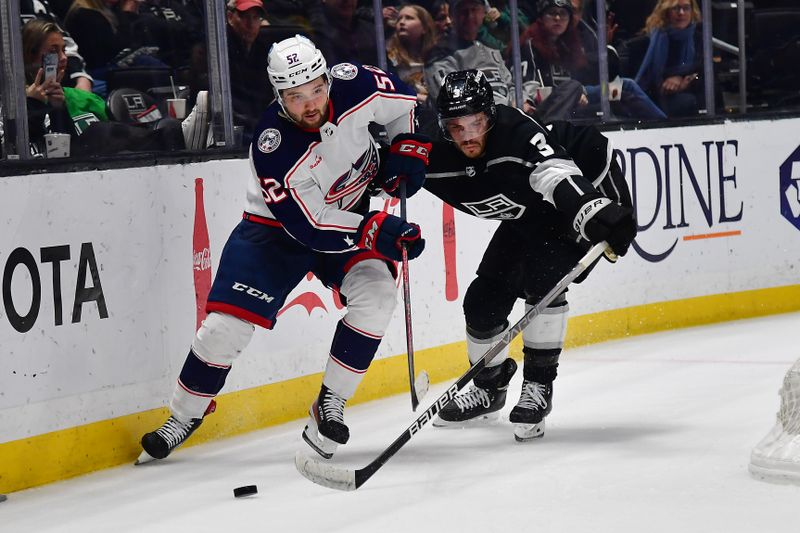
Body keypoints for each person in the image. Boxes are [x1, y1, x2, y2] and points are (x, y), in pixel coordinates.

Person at [137, 35, 431, 462]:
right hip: (275, 231)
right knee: (224, 329)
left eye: (316, 89)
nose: (310, 104)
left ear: (327, 78)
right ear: (278, 96)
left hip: (347, 213)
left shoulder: (356, 83)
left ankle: (330, 402)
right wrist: (373, 229)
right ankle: (184, 415)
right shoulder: (273, 146)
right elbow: (311, 225)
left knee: (378, 295)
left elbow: (404, 104)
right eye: (295, 97)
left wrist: (407, 145)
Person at [422, 70, 636, 440]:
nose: (468, 135)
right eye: (457, 126)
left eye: (476, 123)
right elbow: (378, 173)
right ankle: (489, 388)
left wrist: (595, 211)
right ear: (444, 126)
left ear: (490, 114)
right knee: (482, 302)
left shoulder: (516, 132)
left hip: (578, 198)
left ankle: (538, 388)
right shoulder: (436, 154)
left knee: (545, 281)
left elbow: (556, 174)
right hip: (531, 214)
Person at [22, 19, 208, 156]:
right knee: (98, 132)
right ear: (30, 56)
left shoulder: (79, 98)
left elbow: (65, 144)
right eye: (53, 52)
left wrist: (58, 109)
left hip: (95, 171)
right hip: (44, 178)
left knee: (123, 146)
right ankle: (179, 136)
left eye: (63, 50)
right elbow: (23, 148)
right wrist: (33, 105)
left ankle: (178, 136)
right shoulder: (14, 103)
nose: (63, 58)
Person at [518, 0, 665, 121]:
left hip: (584, 94)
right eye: (552, 13)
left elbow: (588, 74)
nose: (558, 18)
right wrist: (572, 95)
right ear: (541, 18)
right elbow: (531, 90)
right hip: (555, 102)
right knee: (625, 88)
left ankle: (665, 127)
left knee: (624, 89)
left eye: (563, 14)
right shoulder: (531, 45)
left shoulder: (570, 42)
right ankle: (666, 125)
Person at [634, 0, 704, 117]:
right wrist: (663, 86)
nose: (681, 13)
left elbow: (706, 73)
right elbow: (641, 83)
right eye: (675, 8)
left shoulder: (699, 39)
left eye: (686, 8)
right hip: (654, 104)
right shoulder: (645, 42)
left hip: (694, 101)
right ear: (665, 12)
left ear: (692, 11)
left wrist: (683, 80)